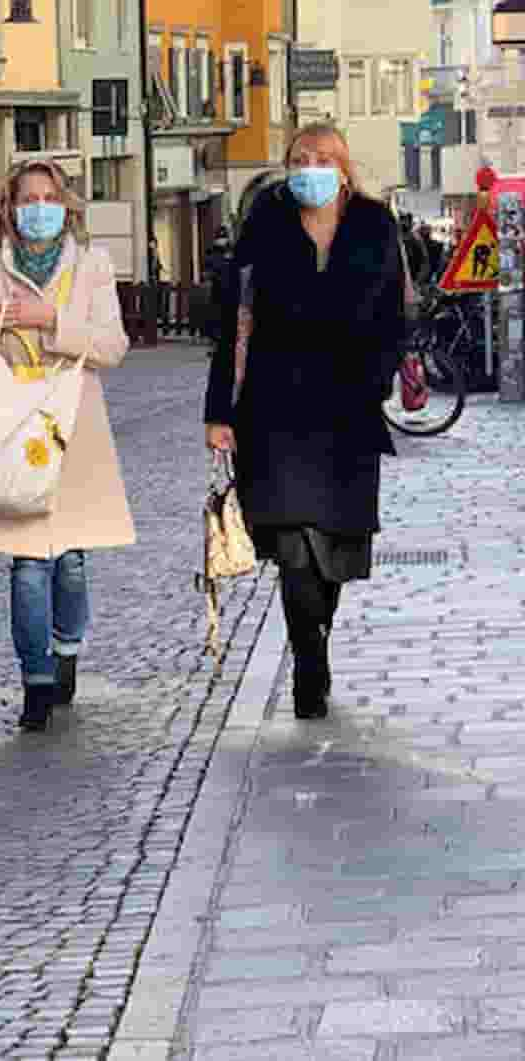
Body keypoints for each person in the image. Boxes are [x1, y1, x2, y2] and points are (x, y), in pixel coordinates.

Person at [205, 122, 405, 720]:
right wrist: (219, 411)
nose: (308, 166)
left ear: (343, 166)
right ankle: (307, 658)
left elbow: (393, 316)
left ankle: (317, 632)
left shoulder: (374, 225)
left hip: (347, 411)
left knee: (335, 546)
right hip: (273, 409)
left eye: (320, 157)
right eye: (298, 158)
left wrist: (378, 379)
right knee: (293, 544)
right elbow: (232, 322)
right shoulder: (265, 222)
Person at [0, 158, 134, 732]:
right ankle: (35, 679)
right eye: (27, 198)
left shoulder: (92, 264)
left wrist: (47, 319)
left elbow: (111, 346)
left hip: (75, 425)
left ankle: (66, 651)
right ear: (9, 206)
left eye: (48, 197)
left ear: (66, 204)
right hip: (12, 427)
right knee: (28, 564)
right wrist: (1, 388)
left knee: (72, 560)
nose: (38, 208)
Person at [202, 227, 233, 345]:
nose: (221, 241)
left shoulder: (231, 250)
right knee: (216, 314)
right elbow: (207, 270)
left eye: (223, 238)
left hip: (229, 288)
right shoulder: (211, 252)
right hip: (216, 288)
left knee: (227, 315)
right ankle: (215, 339)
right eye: (220, 238)